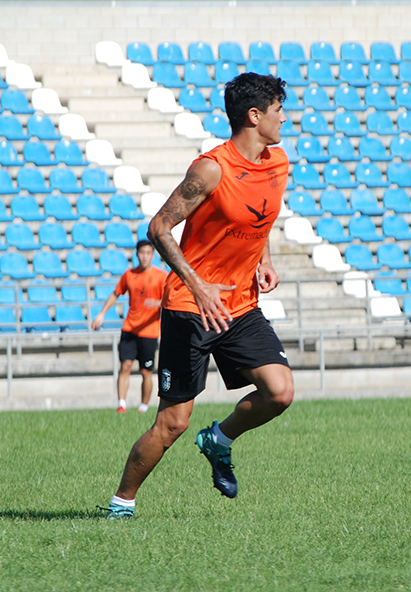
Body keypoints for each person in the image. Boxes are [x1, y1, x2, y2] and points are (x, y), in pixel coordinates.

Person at [100, 72, 294, 519]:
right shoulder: (211, 168)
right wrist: (197, 284)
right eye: (278, 110)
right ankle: (120, 503)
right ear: (254, 115)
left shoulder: (278, 163)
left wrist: (262, 259)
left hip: (241, 305)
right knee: (173, 423)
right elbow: (159, 228)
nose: (285, 118)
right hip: (192, 308)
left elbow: (256, 217)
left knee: (279, 391)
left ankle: (219, 440)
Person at [91, 240, 167, 414]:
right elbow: (116, 293)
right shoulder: (129, 275)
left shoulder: (162, 276)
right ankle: (121, 405)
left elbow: (171, 299)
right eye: (142, 253)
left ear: (152, 255)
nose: (145, 256)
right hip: (129, 328)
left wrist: (157, 303)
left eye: (148, 253)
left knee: (146, 371)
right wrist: (102, 313)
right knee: (125, 365)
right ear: (137, 254)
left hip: (149, 331)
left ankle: (143, 407)